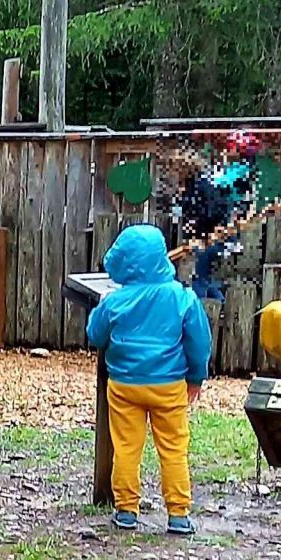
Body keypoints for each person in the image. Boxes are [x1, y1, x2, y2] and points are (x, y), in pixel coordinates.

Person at [85, 224, 212, 537]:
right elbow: (199, 341)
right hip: (169, 386)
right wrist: (196, 376)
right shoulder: (182, 298)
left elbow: (95, 334)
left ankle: (126, 510)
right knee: (173, 448)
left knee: (126, 448)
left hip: (125, 385)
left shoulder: (115, 301)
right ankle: (179, 514)